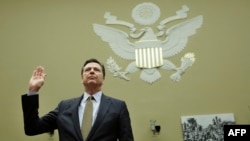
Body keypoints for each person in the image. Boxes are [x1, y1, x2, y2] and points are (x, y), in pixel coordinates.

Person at [21, 58, 134, 141]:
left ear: (103, 79)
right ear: (81, 79)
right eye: (87, 69)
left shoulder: (118, 106)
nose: (92, 71)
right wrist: (33, 91)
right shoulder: (64, 106)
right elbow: (32, 128)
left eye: (97, 70)